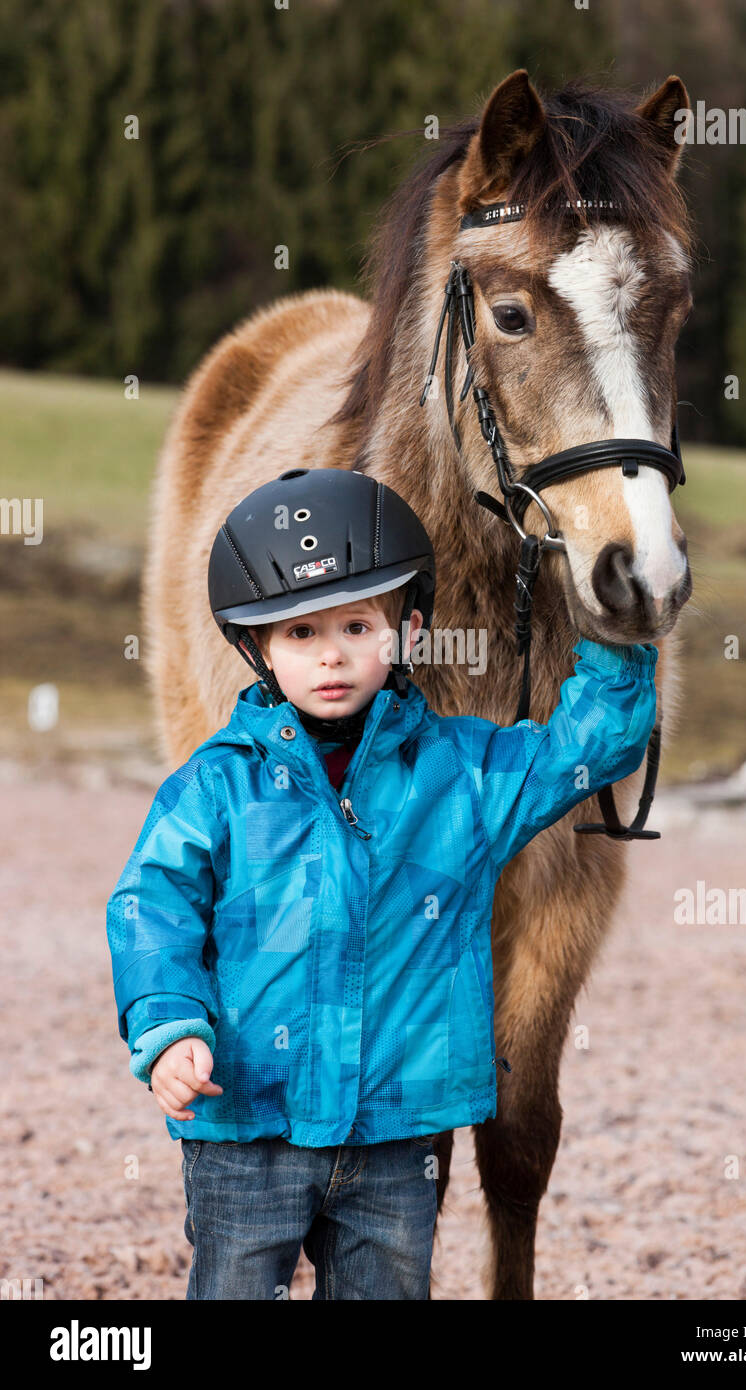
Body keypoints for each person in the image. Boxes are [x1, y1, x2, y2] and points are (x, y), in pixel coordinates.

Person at [105, 466, 659, 1300]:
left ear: (408, 626)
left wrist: (617, 635)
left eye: (358, 624)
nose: (331, 653)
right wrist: (168, 1024)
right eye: (298, 633)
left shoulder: (460, 773)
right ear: (255, 648)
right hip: (248, 1128)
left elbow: (577, 751)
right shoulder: (212, 787)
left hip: (395, 1145)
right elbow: (151, 907)